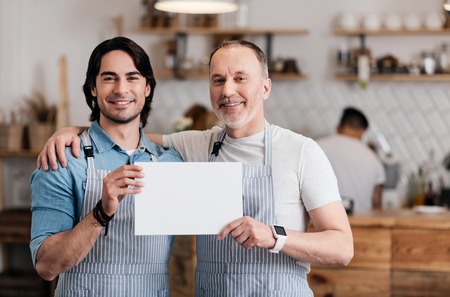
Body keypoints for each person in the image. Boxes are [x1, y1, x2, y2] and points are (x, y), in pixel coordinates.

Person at [37, 40, 353, 296]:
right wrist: (74, 131)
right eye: (218, 80)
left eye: (240, 78)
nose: (228, 90)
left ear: (266, 87)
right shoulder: (195, 147)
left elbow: (342, 247)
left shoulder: (301, 151)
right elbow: (127, 134)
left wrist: (274, 237)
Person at [29, 36, 183, 296]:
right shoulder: (63, 161)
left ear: (147, 87)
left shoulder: (173, 164)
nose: (121, 89)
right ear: (93, 88)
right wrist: (100, 213)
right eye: (109, 78)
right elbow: (46, 266)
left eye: (132, 77)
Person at [316, 107, 386, 213]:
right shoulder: (373, 158)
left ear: (338, 127)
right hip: (361, 226)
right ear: (362, 131)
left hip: (319, 224)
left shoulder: (315, 147)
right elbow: (376, 204)